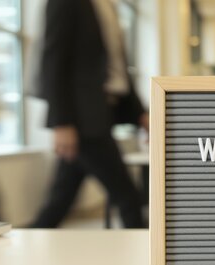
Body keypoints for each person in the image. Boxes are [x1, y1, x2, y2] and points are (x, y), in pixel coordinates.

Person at [30, 0, 146, 228]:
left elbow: (117, 71)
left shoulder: (107, 6)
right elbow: (53, 61)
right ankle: (149, 259)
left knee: (60, 200)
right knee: (128, 197)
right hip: (84, 119)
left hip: (102, 112)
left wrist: (141, 114)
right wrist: (61, 122)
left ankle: (21, 248)